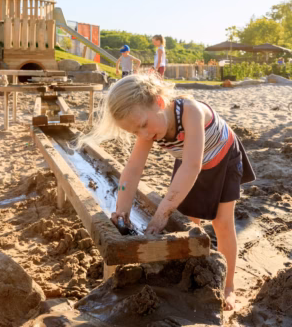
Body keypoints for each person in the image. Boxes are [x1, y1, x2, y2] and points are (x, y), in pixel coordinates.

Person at [79, 74, 255, 310]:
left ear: (160, 103)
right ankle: (193, 269)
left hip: (222, 159)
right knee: (187, 221)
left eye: (142, 125)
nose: (142, 135)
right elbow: (132, 169)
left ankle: (228, 285)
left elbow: (193, 166)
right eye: (134, 132)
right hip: (189, 161)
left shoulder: (190, 112)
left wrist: (162, 214)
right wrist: (121, 209)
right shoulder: (150, 127)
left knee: (222, 223)